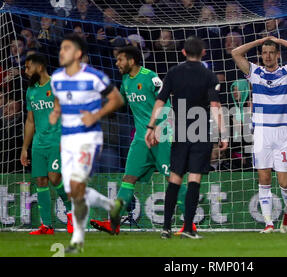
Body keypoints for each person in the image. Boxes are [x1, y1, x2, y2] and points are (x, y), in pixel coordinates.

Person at [89, 46, 197, 234]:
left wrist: (158, 128)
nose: (117, 63)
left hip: (161, 135)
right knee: (128, 178)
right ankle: (113, 224)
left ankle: (189, 223)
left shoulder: (150, 76)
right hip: (140, 139)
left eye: (120, 59)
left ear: (131, 61)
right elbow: (120, 103)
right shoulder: (125, 80)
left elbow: (166, 104)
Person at [145, 36, 228, 239]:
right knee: (194, 179)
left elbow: (160, 100)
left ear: (183, 52)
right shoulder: (209, 75)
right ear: (203, 53)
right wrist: (223, 133)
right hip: (200, 130)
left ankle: (166, 228)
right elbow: (216, 106)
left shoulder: (173, 73)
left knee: (174, 179)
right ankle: (189, 228)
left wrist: (151, 126)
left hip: (180, 131)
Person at [49, 34, 124, 253]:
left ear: (78, 53)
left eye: (67, 48)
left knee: (76, 186)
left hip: (89, 138)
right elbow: (58, 100)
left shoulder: (94, 77)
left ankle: (77, 240)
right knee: (74, 193)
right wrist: (55, 112)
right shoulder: (56, 78)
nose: (61, 52)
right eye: (61, 48)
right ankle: (112, 205)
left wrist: (96, 115)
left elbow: (118, 99)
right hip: (67, 138)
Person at [231, 36, 287, 233]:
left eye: (271, 52)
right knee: (264, 179)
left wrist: (277, 40)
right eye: (264, 52)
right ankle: (268, 223)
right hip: (261, 132)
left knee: (284, 183)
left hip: (282, 133)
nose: (267, 56)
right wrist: (260, 41)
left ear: (277, 54)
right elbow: (235, 53)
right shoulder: (255, 72)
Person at [20, 53, 73, 235]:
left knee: (54, 177)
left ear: (40, 67)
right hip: (38, 144)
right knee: (41, 180)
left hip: (56, 141)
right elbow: (30, 121)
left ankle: (72, 212)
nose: (26, 71)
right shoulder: (31, 90)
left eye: (28, 67)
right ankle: (47, 226)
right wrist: (25, 148)